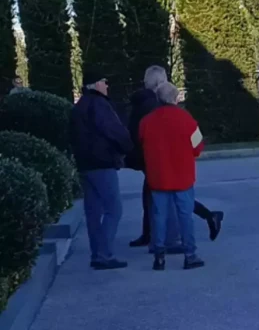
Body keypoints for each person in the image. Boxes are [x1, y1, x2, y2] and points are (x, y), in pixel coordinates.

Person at [126, 66, 223, 249]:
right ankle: (186, 246)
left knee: (157, 203)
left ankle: (157, 244)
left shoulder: (145, 113)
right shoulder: (182, 117)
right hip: (173, 165)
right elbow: (197, 144)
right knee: (179, 204)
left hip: (152, 163)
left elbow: (141, 136)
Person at [70, 71, 133, 270]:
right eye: (104, 82)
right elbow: (113, 130)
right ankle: (104, 254)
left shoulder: (80, 106)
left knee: (93, 211)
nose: (107, 86)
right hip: (102, 162)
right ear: (96, 84)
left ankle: (97, 253)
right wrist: (128, 147)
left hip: (85, 164)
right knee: (114, 209)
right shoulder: (100, 105)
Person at [140, 82, 206, 271]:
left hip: (158, 176)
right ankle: (190, 255)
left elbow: (142, 142)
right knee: (185, 216)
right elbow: (198, 146)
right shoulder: (186, 119)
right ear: (176, 98)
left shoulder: (147, 121)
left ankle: (159, 256)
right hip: (182, 175)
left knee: (159, 216)